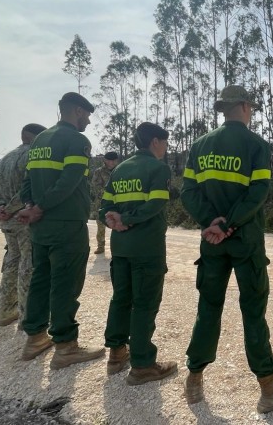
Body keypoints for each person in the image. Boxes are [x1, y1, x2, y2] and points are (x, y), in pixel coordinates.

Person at [181, 85, 273, 414]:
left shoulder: (199, 146)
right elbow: (258, 192)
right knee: (253, 312)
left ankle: (194, 380)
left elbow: (188, 192)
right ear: (245, 106)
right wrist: (229, 223)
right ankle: (269, 388)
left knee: (208, 308)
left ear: (223, 108)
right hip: (245, 242)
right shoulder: (257, 145)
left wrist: (212, 223)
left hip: (212, 243)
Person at [15, 91, 105, 369]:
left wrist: (31, 206)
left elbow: (28, 180)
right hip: (66, 225)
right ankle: (66, 346)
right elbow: (69, 182)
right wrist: (40, 206)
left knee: (41, 280)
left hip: (40, 227)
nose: (88, 121)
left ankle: (35, 338)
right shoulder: (77, 140)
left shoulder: (40, 140)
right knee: (65, 284)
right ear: (78, 111)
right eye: (87, 115)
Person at [99, 122, 177, 385]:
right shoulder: (158, 168)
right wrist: (128, 218)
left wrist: (113, 220)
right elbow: (156, 204)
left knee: (121, 299)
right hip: (147, 248)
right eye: (165, 143)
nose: (165, 149)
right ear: (155, 141)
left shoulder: (119, 169)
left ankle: (117, 354)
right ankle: (143, 364)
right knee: (144, 303)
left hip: (120, 247)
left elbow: (104, 207)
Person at [0, 123, 47, 327]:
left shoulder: (4, 159)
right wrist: (12, 208)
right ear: (38, 137)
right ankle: (27, 316)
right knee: (28, 265)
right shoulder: (32, 155)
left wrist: (1, 207)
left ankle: (4, 311)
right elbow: (27, 189)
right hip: (24, 218)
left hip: (7, 222)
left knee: (11, 261)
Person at [91, 151, 119, 255]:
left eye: (114, 160)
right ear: (105, 160)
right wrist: (108, 192)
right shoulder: (99, 172)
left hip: (117, 201)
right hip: (102, 201)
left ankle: (117, 246)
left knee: (117, 222)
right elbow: (95, 186)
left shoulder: (119, 171)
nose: (112, 162)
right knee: (101, 223)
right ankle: (100, 246)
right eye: (109, 160)